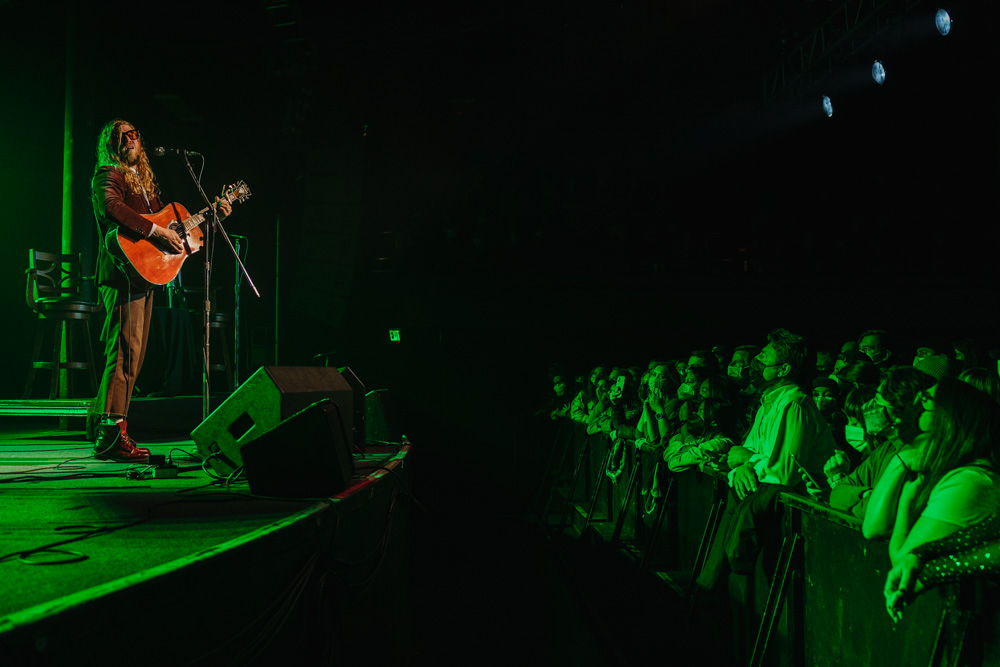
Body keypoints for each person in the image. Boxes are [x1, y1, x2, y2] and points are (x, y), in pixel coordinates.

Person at [90, 119, 231, 462]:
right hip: (121, 273)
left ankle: (106, 427)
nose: (129, 139)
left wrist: (214, 216)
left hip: (144, 273)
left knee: (132, 354)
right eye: (121, 136)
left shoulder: (145, 183)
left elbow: (177, 227)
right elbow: (112, 207)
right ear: (111, 144)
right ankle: (110, 433)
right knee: (124, 351)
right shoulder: (108, 174)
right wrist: (155, 232)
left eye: (134, 134)